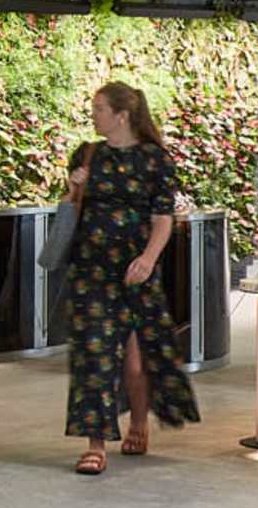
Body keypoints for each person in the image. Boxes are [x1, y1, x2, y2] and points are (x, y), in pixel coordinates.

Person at [60, 81, 198, 475]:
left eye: (100, 108)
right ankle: (96, 444)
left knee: (135, 362)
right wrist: (75, 187)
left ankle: (138, 422)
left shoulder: (155, 160)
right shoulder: (89, 154)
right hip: (90, 268)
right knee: (93, 356)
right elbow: (73, 209)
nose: (94, 114)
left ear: (122, 115)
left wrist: (149, 258)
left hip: (136, 269)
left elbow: (162, 218)